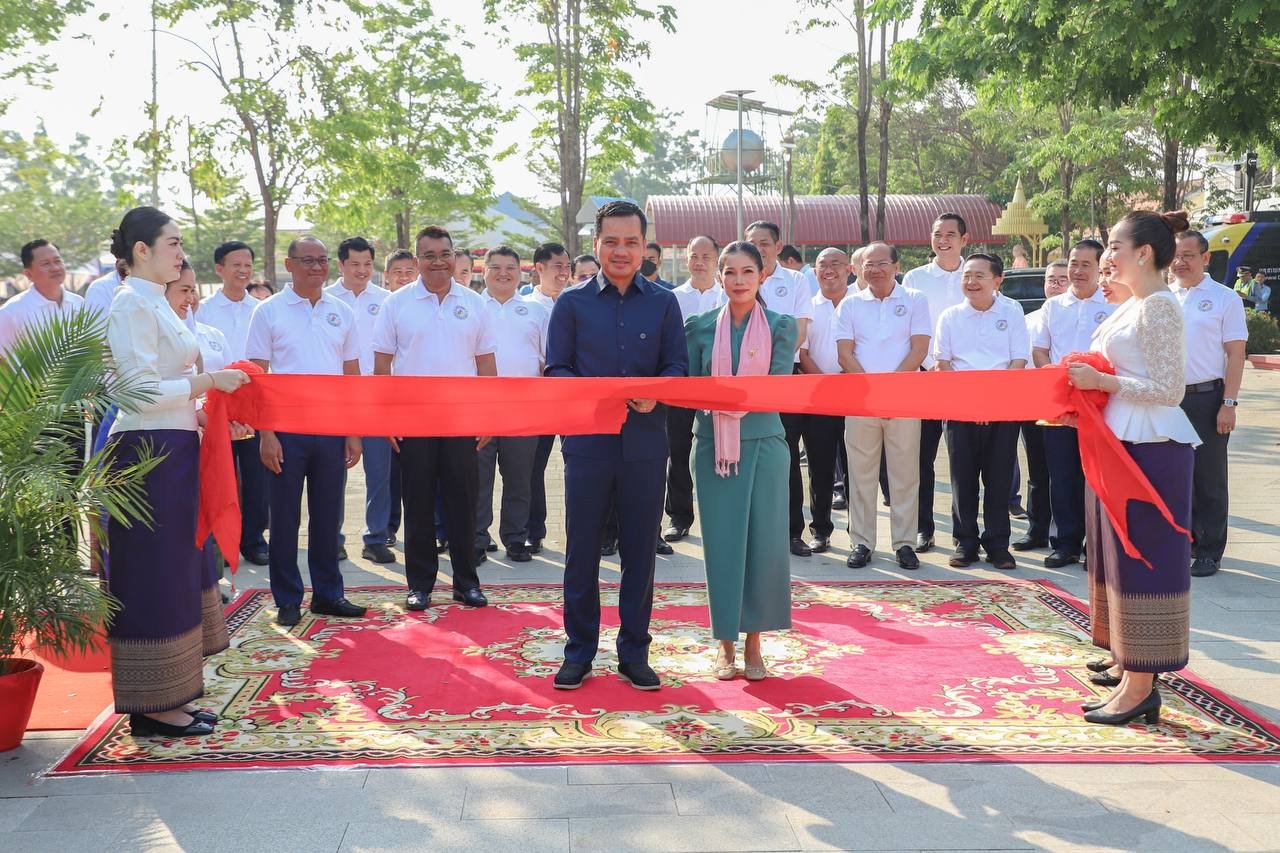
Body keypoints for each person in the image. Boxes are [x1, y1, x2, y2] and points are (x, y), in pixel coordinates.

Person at [102, 206, 248, 737]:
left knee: (178, 569)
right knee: (154, 575)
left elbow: (168, 384)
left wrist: (205, 412)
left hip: (173, 445)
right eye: (173, 244)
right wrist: (208, 383)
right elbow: (136, 392)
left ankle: (175, 695)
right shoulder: (130, 303)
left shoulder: (154, 301)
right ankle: (152, 705)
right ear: (142, 250)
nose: (181, 254)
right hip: (146, 454)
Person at [544, 200, 687, 691]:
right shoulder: (571, 303)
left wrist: (658, 390)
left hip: (645, 444)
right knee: (582, 551)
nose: (621, 251)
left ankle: (634, 653)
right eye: (611, 241)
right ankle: (579, 652)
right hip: (587, 443)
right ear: (596, 244)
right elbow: (555, 369)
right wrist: (592, 393)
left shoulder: (664, 303)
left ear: (645, 247)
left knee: (640, 554)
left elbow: (678, 367)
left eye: (631, 242)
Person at [1071, 210, 1200, 726]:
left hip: (1153, 447)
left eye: (1114, 247)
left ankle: (1142, 687)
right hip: (1121, 442)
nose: (1107, 257)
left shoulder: (1160, 306)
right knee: (1119, 559)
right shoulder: (1136, 303)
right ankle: (1131, 671)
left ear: (1143, 253)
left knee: (1145, 561)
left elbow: (1170, 390)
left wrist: (1102, 384)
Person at [686, 241, 796, 680]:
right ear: (719, 277)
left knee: (765, 545)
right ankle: (725, 643)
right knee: (723, 544)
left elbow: (776, 388)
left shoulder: (782, 325)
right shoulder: (698, 327)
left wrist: (724, 396)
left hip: (765, 444)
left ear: (762, 275)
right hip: (714, 446)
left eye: (747, 271)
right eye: (729, 272)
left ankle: (754, 642)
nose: (738, 280)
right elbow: (693, 390)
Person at [373, 226, 497, 611]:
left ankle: (466, 583)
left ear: (455, 257)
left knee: (464, 503)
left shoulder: (475, 303)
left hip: (462, 420)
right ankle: (420, 584)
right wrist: (387, 419)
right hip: (414, 422)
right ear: (417, 261)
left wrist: (489, 417)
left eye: (445, 254)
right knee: (418, 504)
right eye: (429, 255)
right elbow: (382, 365)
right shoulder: (396, 304)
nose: (438, 261)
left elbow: (486, 363)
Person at [245, 236, 368, 627]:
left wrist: (353, 430)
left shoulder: (342, 312)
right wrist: (266, 434)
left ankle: (328, 594)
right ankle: (287, 598)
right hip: (285, 431)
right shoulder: (268, 311)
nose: (316, 267)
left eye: (322, 260)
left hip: (330, 428)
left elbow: (351, 375)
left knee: (328, 516)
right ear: (289, 264)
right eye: (307, 260)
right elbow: (257, 377)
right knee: (284, 518)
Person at [836, 242, 931, 570]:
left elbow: (919, 349)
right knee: (860, 474)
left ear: (896, 266)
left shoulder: (915, 299)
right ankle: (861, 542)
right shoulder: (850, 304)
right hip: (861, 402)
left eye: (881, 263)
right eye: (868, 264)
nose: (874, 270)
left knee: (905, 475)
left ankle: (905, 543)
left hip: (903, 400)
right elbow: (844, 354)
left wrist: (889, 391)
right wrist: (873, 392)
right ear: (860, 269)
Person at [934, 253, 1029, 570]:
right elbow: (943, 364)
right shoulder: (950, 316)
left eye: (979, 276)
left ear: (997, 280)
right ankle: (965, 543)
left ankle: (998, 544)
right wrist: (971, 405)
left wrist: (990, 404)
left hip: (1002, 409)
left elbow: (1018, 361)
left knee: (999, 479)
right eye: (967, 276)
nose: (971, 282)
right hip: (959, 409)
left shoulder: (1012, 311)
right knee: (963, 479)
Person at [1032, 239, 1115, 568]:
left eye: (1085, 265)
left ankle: (1096, 546)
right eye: (1073, 264)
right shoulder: (1053, 306)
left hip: (1101, 404)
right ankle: (1065, 543)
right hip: (1060, 406)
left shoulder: (1113, 304)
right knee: (1062, 475)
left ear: (1100, 268)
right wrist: (1055, 380)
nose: (1077, 271)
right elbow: (1040, 350)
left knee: (1097, 477)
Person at [1169, 230, 1248, 578]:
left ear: (1205, 258)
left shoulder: (1224, 298)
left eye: (1188, 255)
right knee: (1174, 475)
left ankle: (1209, 550)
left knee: (1208, 478)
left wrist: (1228, 403)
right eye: (1175, 255)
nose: (1180, 262)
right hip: (1168, 400)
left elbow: (1236, 354)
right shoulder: (1163, 296)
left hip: (1207, 398)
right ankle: (1183, 542)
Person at [166, 260, 237, 623]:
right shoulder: (151, 333)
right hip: (163, 440)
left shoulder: (201, 330)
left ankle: (208, 584)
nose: (191, 298)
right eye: (184, 289)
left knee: (208, 508)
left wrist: (222, 419)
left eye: (193, 289)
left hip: (200, 436)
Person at [745, 220, 814, 557]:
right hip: (743, 381)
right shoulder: (739, 275)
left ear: (777, 246)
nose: (758, 248)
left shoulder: (796, 281)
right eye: (752, 242)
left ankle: (791, 532)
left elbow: (799, 330)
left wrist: (773, 368)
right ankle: (751, 533)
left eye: (764, 243)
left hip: (784, 378)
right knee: (747, 456)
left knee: (783, 454)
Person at [198, 240, 269, 566]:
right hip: (215, 404)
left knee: (256, 476)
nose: (243, 271)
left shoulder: (260, 309)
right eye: (235, 265)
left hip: (253, 404)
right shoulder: (203, 310)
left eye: (247, 265)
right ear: (219, 269)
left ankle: (253, 540)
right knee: (221, 475)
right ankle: (220, 542)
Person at [475, 246, 547, 564]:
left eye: (510, 268)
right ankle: (477, 538)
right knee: (478, 478)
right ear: (484, 271)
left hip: (523, 409)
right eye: (496, 267)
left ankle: (516, 538)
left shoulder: (536, 311)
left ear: (521, 272)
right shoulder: (472, 307)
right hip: (480, 408)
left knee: (519, 478)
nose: (503, 273)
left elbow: (546, 360)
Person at [324, 237, 394, 564]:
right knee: (334, 470)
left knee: (379, 472)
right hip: (337, 398)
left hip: (376, 396)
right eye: (354, 264)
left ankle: (376, 537)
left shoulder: (387, 301)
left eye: (367, 264)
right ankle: (333, 537)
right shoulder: (325, 300)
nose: (362, 270)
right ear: (341, 265)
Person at [902, 213, 969, 553]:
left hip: (965, 382)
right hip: (925, 377)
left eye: (950, 235)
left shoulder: (975, 274)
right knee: (921, 459)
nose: (943, 240)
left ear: (964, 240)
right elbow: (908, 328)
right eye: (937, 234)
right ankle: (922, 528)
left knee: (964, 462)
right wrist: (927, 366)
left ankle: (965, 534)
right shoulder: (915, 278)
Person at [664, 235, 725, 543]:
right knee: (678, 451)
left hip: (720, 388)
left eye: (706, 256)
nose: (699, 262)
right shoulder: (671, 298)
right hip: (681, 386)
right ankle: (679, 516)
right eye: (693, 256)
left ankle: (720, 516)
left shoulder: (728, 295)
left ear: (717, 260)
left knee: (720, 451)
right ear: (686, 259)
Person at [797, 247, 852, 553]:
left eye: (836, 264)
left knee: (858, 470)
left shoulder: (860, 303)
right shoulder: (807, 307)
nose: (829, 270)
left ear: (849, 269)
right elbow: (802, 353)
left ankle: (860, 535)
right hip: (818, 397)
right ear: (815, 272)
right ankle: (820, 530)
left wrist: (847, 380)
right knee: (820, 468)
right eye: (822, 265)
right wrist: (827, 384)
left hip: (857, 395)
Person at [1013, 261, 1069, 552]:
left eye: (1062, 279)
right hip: (1033, 401)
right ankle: (1037, 530)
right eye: (1050, 279)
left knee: (1065, 472)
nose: (1055, 285)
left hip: (1069, 401)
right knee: (1037, 470)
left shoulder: (1078, 314)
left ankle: (1067, 533)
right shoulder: (1029, 319)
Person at [525, 242, 573, 554]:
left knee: (578, 466)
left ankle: (580, 529)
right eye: (558, 266)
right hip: (540, 400)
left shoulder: (577, 302)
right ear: (539, 268)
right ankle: (533, 530)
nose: (564, 272)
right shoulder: (526, 306)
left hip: (572, 398)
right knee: (533, 466)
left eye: (567, 266)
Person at [0, 239, 85, 356]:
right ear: (28, 274)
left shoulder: (78, 303)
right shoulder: (11, 312)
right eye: (46, 263)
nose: (55, 268)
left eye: (58, 261)